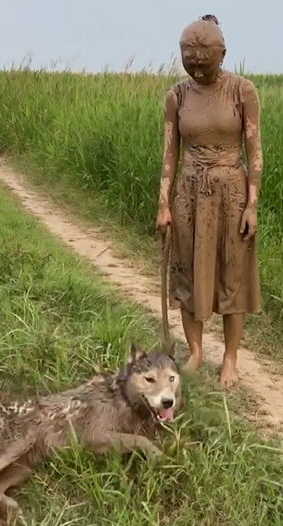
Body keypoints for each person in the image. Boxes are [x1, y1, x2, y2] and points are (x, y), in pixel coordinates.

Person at [156, 15, 263, 387]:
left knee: (233, 274)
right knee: (187, 272)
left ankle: (230, 359)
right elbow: (170, 154)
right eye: (190, 61)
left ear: (222, 55)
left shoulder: (241, 90)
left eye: (205, 61)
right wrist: (164, 204)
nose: (198, 69)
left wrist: (252, 204)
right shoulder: (177, 95)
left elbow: (255, 152)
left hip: (232, 191)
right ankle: (197, 352)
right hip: (189, 193)